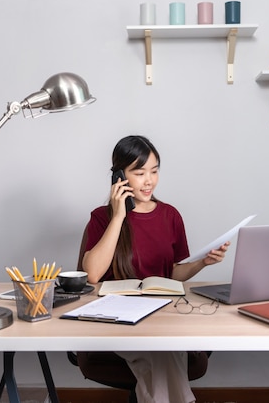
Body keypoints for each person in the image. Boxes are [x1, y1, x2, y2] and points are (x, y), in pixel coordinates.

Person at [82, 135, 229, 403]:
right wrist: (119, 216)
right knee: (163, 349)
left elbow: (170, 275)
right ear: (119, 177)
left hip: (163, 314)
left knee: (162, 346)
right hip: (117, 320)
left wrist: (201, 263)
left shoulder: (170, 215)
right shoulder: (101, 218)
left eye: (154, 170)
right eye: (139, 173)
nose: (149, 180)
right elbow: (92, 274)